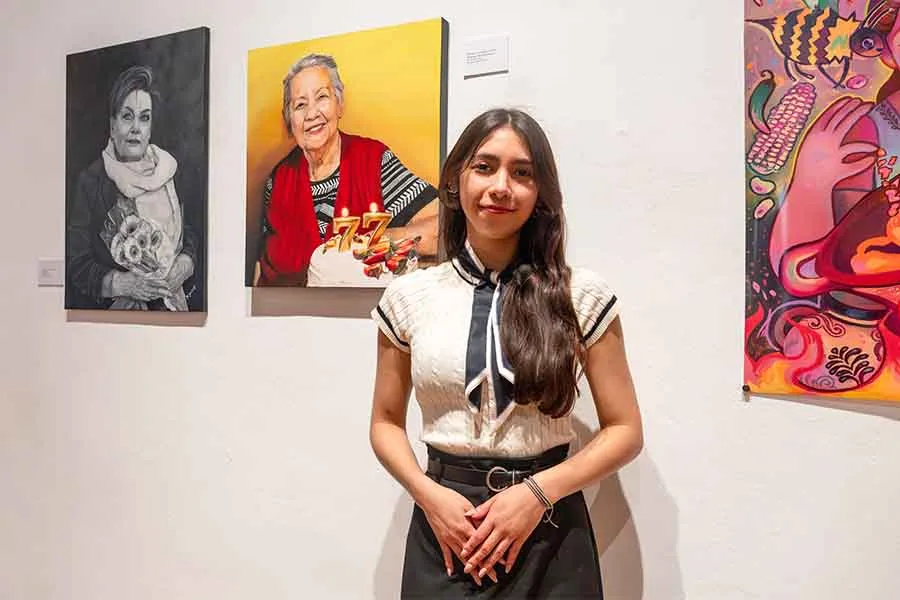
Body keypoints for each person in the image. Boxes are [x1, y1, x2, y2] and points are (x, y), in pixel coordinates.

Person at [369, 108, 643, 598]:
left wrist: (537, 494)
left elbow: (625, 430)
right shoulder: (408, 297)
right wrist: (428, 496)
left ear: (540, 194)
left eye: (522, 173)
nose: (501, 186)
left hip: (550, 529)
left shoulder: (582, 295)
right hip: (446, 529)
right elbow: (385, 421)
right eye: (484, 167)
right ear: (456, 180)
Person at [255, 53, 440, 286]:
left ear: (339, 104)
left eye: (322, 97)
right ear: (289, 119)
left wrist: (374, 241)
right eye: (300, 105)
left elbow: (441, 228)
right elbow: (262, 270)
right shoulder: (278, 180)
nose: (312, 114)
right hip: (289, 319)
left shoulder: (373, 161)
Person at [66, 65, 198, 311]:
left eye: (144, 117)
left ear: (150, 129)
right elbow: (76, 263)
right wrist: (123, 284)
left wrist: (185, 263)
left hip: (177, 311)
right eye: (127, 116)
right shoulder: (92, 182)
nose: (136, 127)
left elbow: (189, 232)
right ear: (112, 125)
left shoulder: (169, 171)